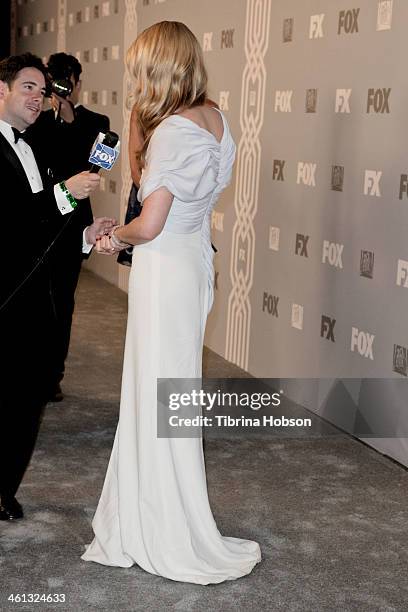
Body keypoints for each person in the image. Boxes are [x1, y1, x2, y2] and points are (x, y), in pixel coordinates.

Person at [81, 21, 261, 584]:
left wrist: (114, 236)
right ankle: (168, 513)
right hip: (191, 267)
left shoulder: (173, 132)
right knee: (172, 392)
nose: (135, 77)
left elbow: (151, 224)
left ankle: (159, 527)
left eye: (140, 67)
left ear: (159, 67)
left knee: (156, 392)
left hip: (164, 271)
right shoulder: (216, 120)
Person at [0, 52, 115, 521]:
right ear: (2, 89)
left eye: (43, 88)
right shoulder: (26, 137)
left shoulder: (61, 135)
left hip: (42, 283)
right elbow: (13, 220)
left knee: (28, 398)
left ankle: (5, 489)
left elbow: (42, 230)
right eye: (28, 86)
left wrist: (85, 236)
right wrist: (67, 193)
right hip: (5, 296)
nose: (40, 95)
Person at [27, 53, 110, 402]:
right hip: (41, 219)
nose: (63, 86)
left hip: (75, 225)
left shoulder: (97, 122)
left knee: (63, 300)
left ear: (78, 81)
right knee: (34, 302)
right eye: (55, 79)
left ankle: (53, 377)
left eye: (68, 79)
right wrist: (55, 114)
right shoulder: (37, 124)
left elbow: (96, 170)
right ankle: (31, 369)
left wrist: (70, 117)